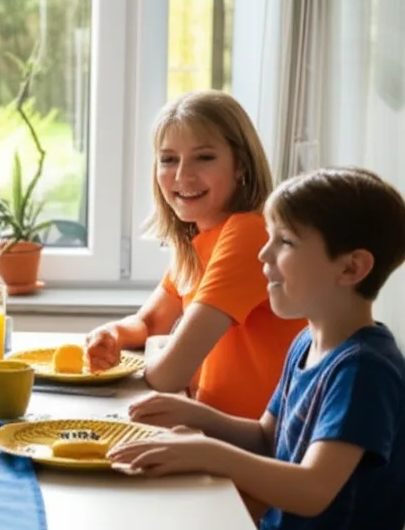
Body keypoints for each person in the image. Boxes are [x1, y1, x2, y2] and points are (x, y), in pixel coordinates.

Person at [110, 167, 405, 530]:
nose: (264, 254)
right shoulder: (306, 343)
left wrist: (210, 455)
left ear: (351, 267)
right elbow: (268, 437)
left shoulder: (364, 370)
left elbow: (314, 489)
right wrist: (197, 416)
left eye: (286, 242)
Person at [84, 90, 305, 419]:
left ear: (240, 165)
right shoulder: (197, 242)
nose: (182, 176)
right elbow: (148, 323)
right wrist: (111, 335)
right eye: (169, 159)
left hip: (252, 452)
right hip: (212, 436)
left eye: (204, 157)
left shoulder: (249, 233)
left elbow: (168, 375)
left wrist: (158, 348)